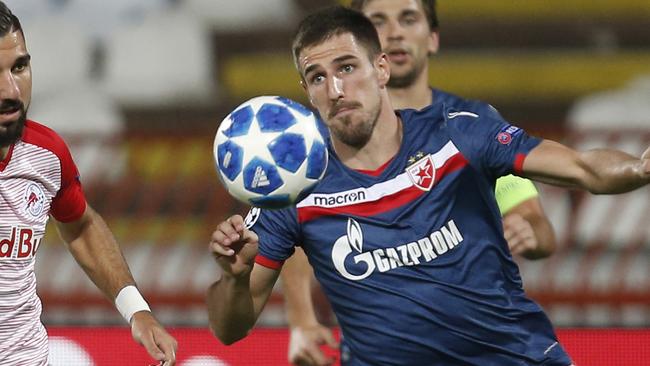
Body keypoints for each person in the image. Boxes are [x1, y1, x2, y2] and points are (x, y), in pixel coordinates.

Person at [208, 5, 649, 365]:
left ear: (381, 69)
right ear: (306, 91)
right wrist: (233, 278)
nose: (337, 88)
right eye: (318, 77)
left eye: (347, 67)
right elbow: (229, 330)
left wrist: (640, 169)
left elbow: (585, 169)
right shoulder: (294, 187)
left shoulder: (458, 133)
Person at [282, 1, 557, 364]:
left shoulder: (466, 127)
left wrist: (530, 232)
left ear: (432, 38)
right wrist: (301, 320)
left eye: (408, 19)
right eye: (377, 21)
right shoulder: (319, 144)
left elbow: (538, 227)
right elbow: (293, 234)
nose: (394, 32)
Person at [0, 2, 177, 365]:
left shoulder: (46, 153)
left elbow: (81, 226)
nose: (11, 90)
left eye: (19, 67)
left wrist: (136, 310)